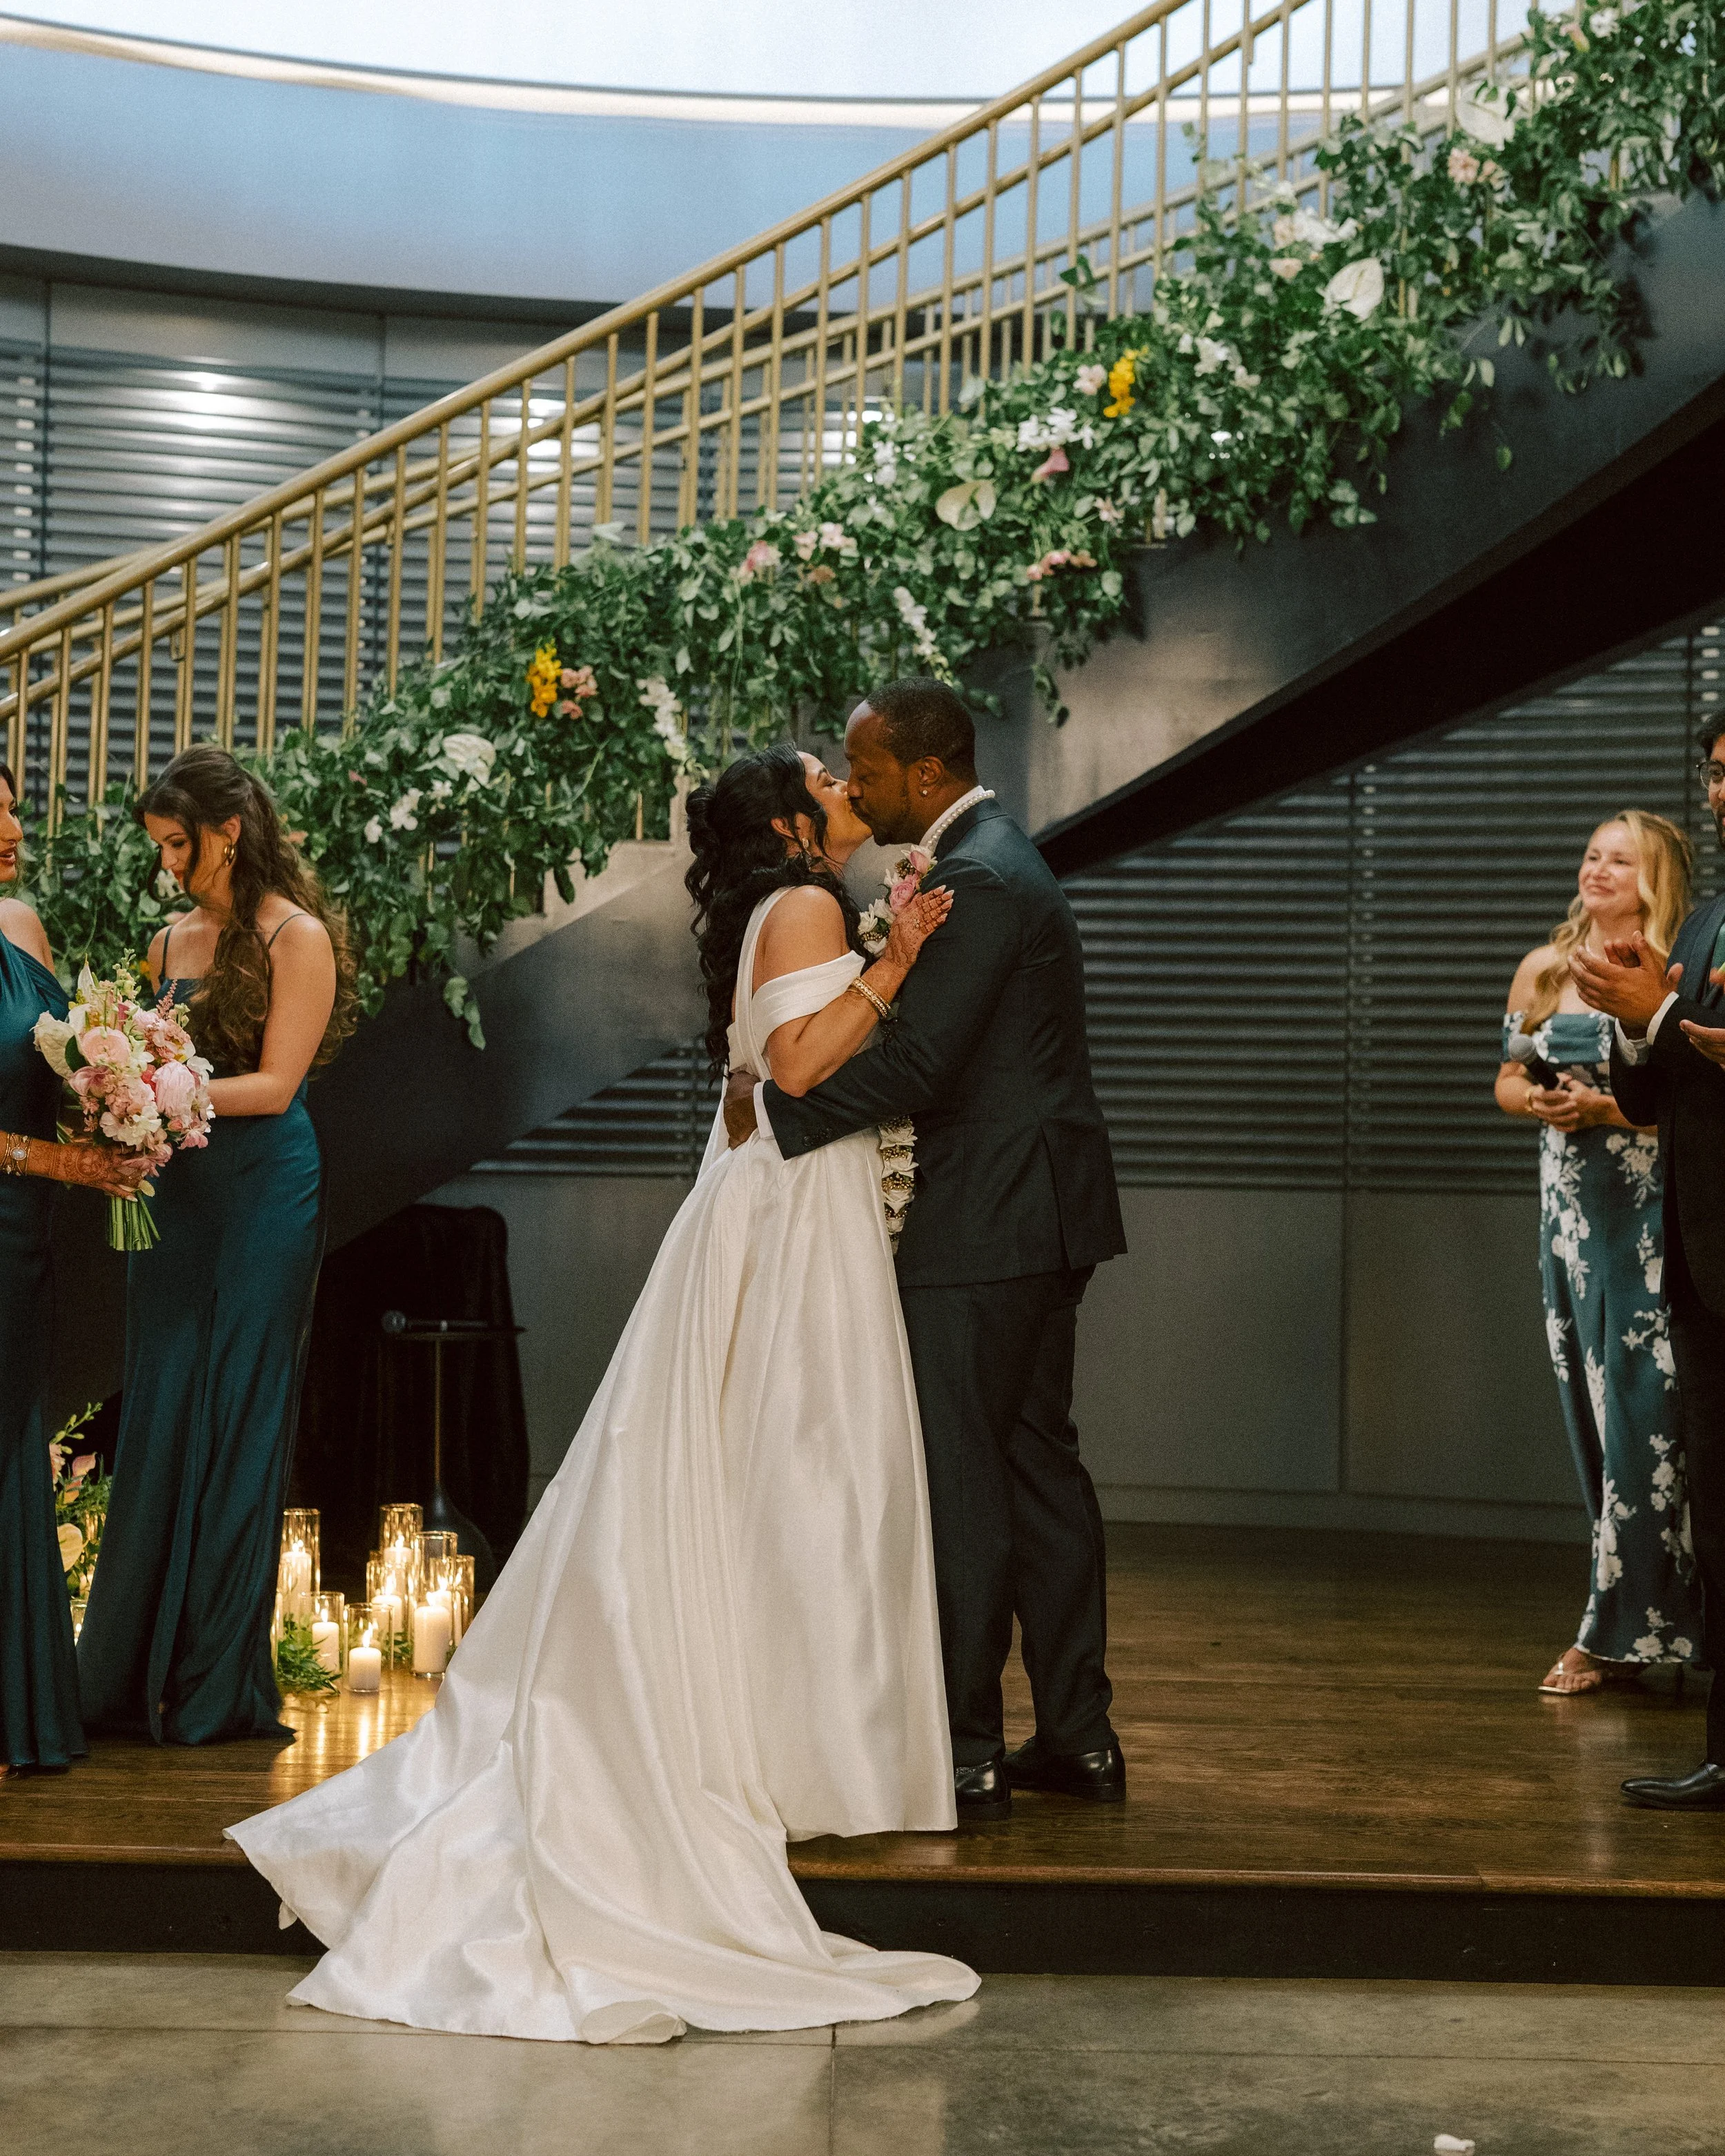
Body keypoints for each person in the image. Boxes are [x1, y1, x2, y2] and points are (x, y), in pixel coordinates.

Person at [228, 743, 978, 2043]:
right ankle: (794, 1740)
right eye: (826, 775)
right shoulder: (804, 905)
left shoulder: (779, 906)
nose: (845, 782)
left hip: (783, 1198)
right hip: (794, 1210)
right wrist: (901, 963)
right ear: (796, 822)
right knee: (802, 1465)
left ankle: (786, 1728)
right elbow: (797, 1066)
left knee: (770, 1468)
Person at [726, 678, 1128, 1821]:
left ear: (931, 774)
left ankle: (963, 1750)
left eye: (870, 771)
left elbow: (926, 1066)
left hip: (991, 1214)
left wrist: (781, 1117)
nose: (855, 790)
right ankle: (1079, 1737)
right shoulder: (991, 855)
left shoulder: (981, 875)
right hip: (1036, 1209)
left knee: (964, 1478)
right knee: (1033, 1467)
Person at [78, 744, 353, 1746]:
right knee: (159, 1406)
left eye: (175, 846)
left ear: (227, 832)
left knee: (237, 1413)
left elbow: (278, 1086)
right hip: (180, 1196)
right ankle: (122, 1671)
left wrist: (158, 1094)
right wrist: (112, 1092)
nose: (165, 866)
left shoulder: (296, 937)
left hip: (264, 1192)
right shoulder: (164, 944)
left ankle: (211, 1685)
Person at [1497, 813, 1702, 1695]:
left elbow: (1685, 1096)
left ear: (1654, 878)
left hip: (1652, 1219)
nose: (1597, 869)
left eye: (1619, 859)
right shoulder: (1545, 967)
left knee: (1647, 1425)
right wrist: (1536, 1104)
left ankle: (1628, 1626)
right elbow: (1505, 1074)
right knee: (1592, 1420)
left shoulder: (1673, 976)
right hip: (1568, 1227)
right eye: (1589, 854)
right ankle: (1628, 1618)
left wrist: (1605, 1111)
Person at [1576, 725, 1725, 1808]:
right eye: (1717, 770)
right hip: (1705, 1254)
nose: (1722, 788)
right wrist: (1635, 1027)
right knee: (1720, 1510)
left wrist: (1664, 1013)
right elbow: (1646, 1096)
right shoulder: (1711, 916)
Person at [0, 764, 148, 1774]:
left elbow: (44, 1074)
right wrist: (64, 1161)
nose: (12, 823)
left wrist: (125, 1097)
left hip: (24, 1243)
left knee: (14, 1452)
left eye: (12, 803)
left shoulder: (22, 928)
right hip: (20, 1196)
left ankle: (16, 1714)